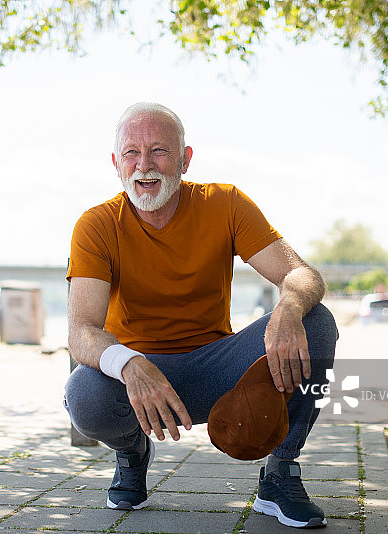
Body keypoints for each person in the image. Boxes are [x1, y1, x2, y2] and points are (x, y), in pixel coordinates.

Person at [64, 102, 338, 529]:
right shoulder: (96, 225)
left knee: (316, 321)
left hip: (217, 368)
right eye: (132, 153)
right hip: (140, 379)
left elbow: (302, 274)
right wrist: (130, 362)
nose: (145, 165)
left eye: (159, 151)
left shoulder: (225, 203)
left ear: (185, 159)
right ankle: (131, 452)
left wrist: (287, 306)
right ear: (117, 164)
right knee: (84, 393)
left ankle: (281, 471)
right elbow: (81, 333)